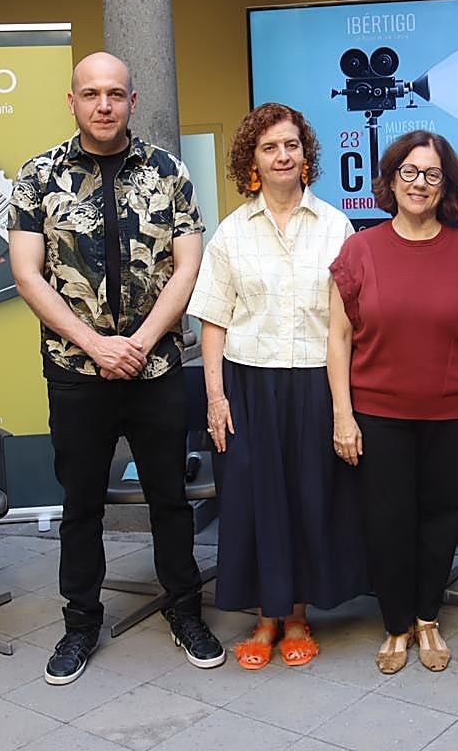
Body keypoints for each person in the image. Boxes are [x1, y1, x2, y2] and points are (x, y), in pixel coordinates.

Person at [8, 51, 225, 685]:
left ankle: (185, 612)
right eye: (91, 93)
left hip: (157, 370)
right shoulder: (38, 177)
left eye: (115, 94)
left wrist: (138, 343)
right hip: (75, 372)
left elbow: (188, 266)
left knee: (169, 499)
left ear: (132, 101)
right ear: (72, 101)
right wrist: (96, 346)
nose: (103, 105)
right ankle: (80, 624)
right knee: (81, 504)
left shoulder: (169, 172)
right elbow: (27, 274)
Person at [186, 103, 366, 670]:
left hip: (316, 382)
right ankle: (266, 620)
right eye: (269, 147)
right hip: (248, 385)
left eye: (291, 145)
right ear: (253, 161)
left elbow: (345, 326)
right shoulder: (232, 233)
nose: (282, 155)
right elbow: (213, 321)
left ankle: (299, 619)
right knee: (256, 502)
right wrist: (215, 398)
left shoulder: (336, 227)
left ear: (305, 155)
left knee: (311, 498)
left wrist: (344, 409)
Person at [327, 130, 458, 675]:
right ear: (391, 179)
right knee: (387, 522)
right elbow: (339, 338)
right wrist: (342, 415)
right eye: (409, 171)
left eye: (432, 174)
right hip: (378, 413)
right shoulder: (359, 250)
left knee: (442, 519)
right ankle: (396, 624)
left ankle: (428, 618)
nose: (419, 183)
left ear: (446, 185)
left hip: (451, 413)